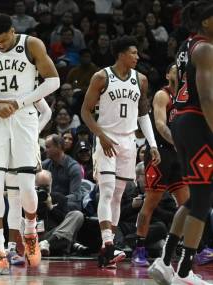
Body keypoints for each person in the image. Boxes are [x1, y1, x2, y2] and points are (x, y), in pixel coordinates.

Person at [0, 13, 59, 274]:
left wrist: (19, 102)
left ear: (13, 31)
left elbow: (53, 81)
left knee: (25, 186)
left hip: (24, 116)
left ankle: (31, 231)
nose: (0, 44)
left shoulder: (32, 44)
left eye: (4, 39)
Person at [81, 35, 161, 269]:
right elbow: (86, 112)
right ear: (121, 54)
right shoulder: (101, 77)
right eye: (133, 53)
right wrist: (101, 136)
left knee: (117, 196)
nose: (137, 57)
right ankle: (108, 243)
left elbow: (143, 114)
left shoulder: (141, 80)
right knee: (106, 192)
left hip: (128, 142)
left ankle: (107, 252)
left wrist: (152, 143)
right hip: (106, 137)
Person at [148, 2, 213, 284]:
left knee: (194, 199)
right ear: (208, 22)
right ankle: (185, 273)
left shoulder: (187, 45)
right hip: (198, 122)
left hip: (183, 124)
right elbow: (208, 97)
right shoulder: (206, 49)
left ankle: (164, 262)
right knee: (202, 201)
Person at [131, 64, 189, 267]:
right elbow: (160, 125)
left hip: (178, 156)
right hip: (160, 154)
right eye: (173, 69)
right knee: (150, 203)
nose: (178, 71)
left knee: (187, 205)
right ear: (167, 74)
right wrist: (180, 142)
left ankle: (179, 247)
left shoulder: (188, 97)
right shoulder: (162, 95)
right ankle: (139, 248)